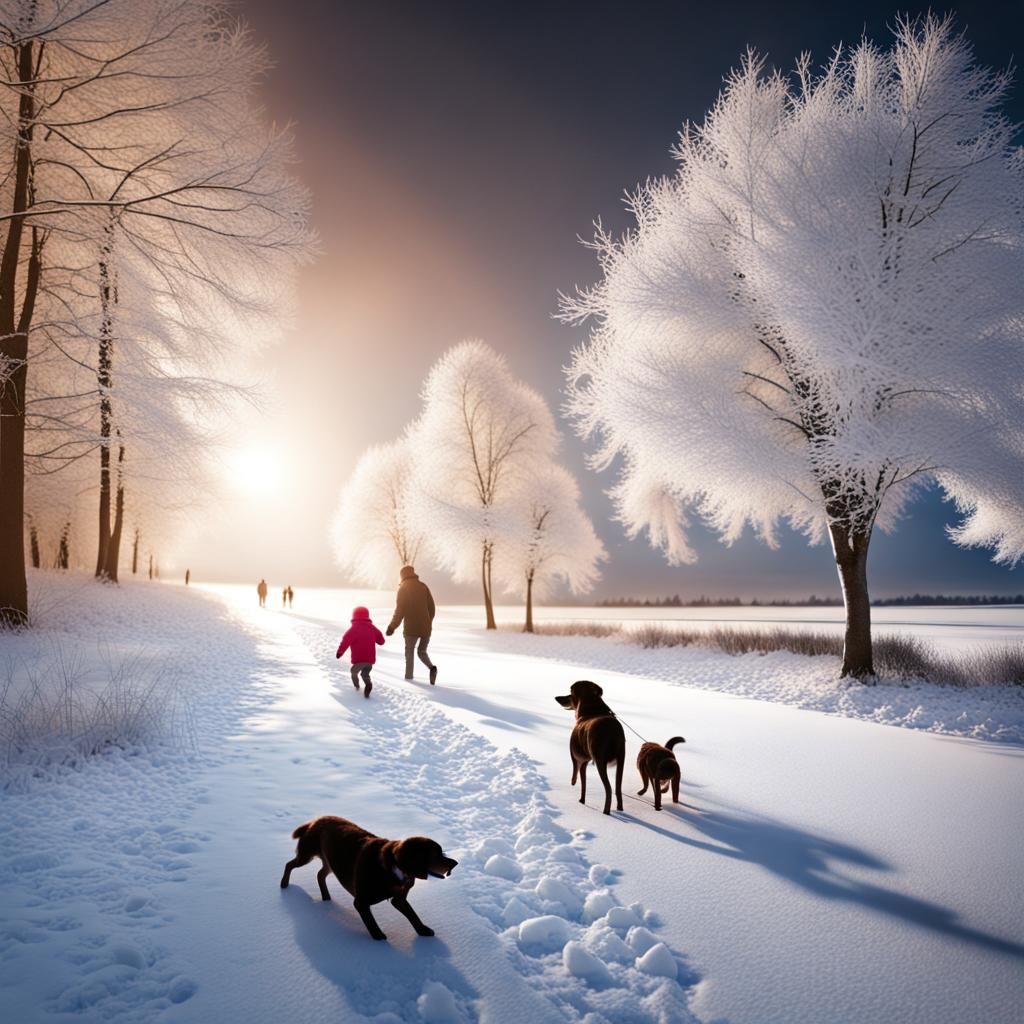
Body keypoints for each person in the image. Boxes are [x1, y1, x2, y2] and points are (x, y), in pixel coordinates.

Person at [386, 565, 437, 684]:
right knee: (422, 652)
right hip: (426, 627)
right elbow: (432, 608)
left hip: (411, 629)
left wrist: (392, 627)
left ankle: (409, 681)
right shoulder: (423, 586)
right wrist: (428, 621)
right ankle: (432, 668)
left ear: (402, 575)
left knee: (409, 654)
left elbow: (400, 611)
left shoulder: (403, 588)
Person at [336, 606, 385, 698]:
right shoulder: (372, 628)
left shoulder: (353, 629)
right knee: (365, 674)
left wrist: (340, 653)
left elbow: (345, 642)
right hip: (370, 660)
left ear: (354, 615)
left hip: (359, 659)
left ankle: (356, 687)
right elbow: (381, 641)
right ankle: (368, 684)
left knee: (353, 672)